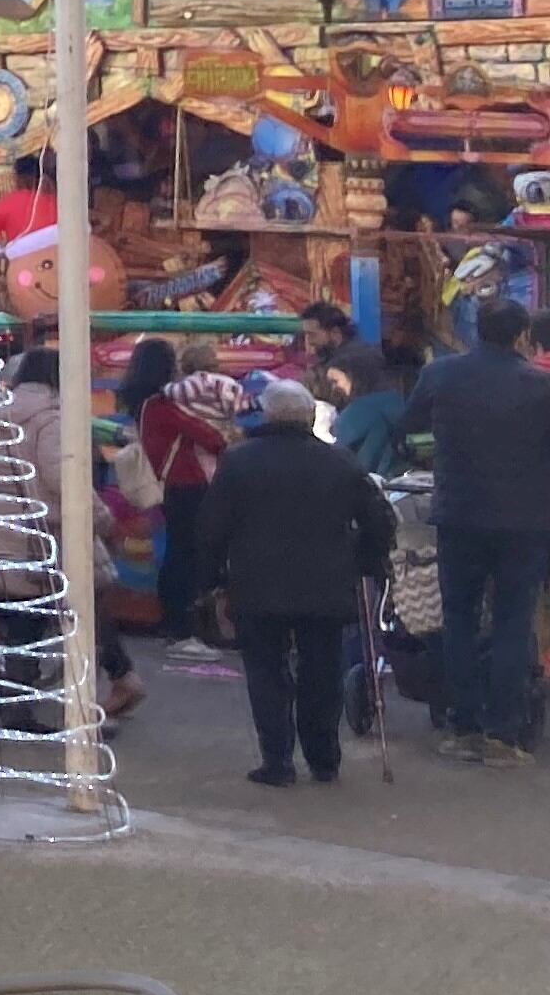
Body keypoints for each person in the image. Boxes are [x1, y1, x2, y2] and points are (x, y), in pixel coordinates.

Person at [200, 378, 398, 788]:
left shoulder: (239, 461)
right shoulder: (340, 461)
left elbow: (212, 528)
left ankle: (277, 761)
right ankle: (324, 759)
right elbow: (379, 519)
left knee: (266, 672)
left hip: (257, 584)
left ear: (268, 415)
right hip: (325, 585)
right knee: (321, 673)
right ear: (310, 416)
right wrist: (363, 557)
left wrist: (215, 577)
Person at [411, 293, 550, 762]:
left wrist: (441, 451)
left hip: (459, 514)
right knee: (513, 621)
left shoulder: (440, 374)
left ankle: (463, 725)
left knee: (459, 619)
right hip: (527, 521)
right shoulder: (541, 385)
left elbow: (409, 431)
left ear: (475, 330)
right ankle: (503, 735)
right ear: (522, 336)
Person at [4, 347, 141, 718]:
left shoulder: (1, 416)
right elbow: (65, 477)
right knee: (83, 615)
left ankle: (19, 707)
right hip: (56, 533)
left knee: (22, 623)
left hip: (13, 531)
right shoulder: (52, 420)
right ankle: (89, 703)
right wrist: (101, 517)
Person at [126, 335, 244, 657]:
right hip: (187, 483)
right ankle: (182, 629)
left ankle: (177, 625)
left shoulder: (145, 404)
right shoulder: (163, 404)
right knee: (188, 555)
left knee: (179, 553)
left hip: (173, 484)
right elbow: (209, 437)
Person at [335, 341, 422, 477]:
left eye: (336, 381)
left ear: (354, 378)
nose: (335, 388)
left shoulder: (354, 414)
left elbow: (340, 458)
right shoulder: (401, 403)